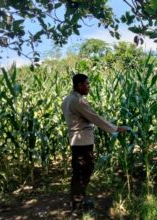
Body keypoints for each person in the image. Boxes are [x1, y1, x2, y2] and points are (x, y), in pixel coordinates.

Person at [61, 73, 127, 213]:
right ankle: (77, 206)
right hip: (82, 140)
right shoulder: (78, 101)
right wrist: (115, 128)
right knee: (83, 171)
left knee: (80, 171)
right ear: (79, 85)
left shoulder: (67, 99)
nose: (89, 87)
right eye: (87, 84)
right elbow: (94, 118)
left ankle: (78, 200)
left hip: (76, 140)